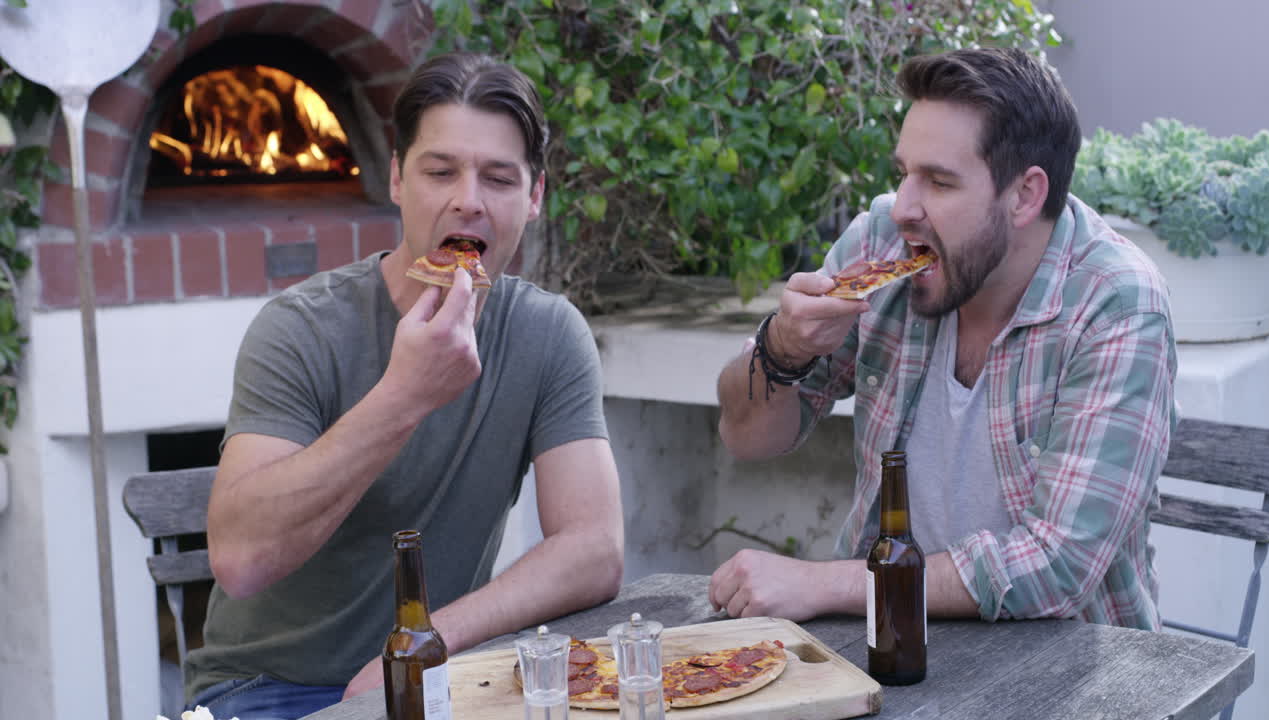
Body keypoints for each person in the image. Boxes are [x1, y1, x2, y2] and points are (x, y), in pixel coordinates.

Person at [185, 52, 625, 719]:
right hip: (270, 690)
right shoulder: (299, 329)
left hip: (444, 677)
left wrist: (428, 642)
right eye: (440, 171)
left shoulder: (547, 333)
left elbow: (594, 548)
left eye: (499, 178)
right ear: (396, 178)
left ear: (534, 198)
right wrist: (407, 392)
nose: (468, 200)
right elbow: (242, 559)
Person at [710, 47, 1177, 630]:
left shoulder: (1114, 302)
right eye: (904, 172)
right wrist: (784, 348)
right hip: (892, 641)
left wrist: (820, 582)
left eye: (939, 181)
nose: (904, 206)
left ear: (1025, 195)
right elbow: (747, 440)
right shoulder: (881, 242)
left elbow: (1059, 565)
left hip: (1075, 671)